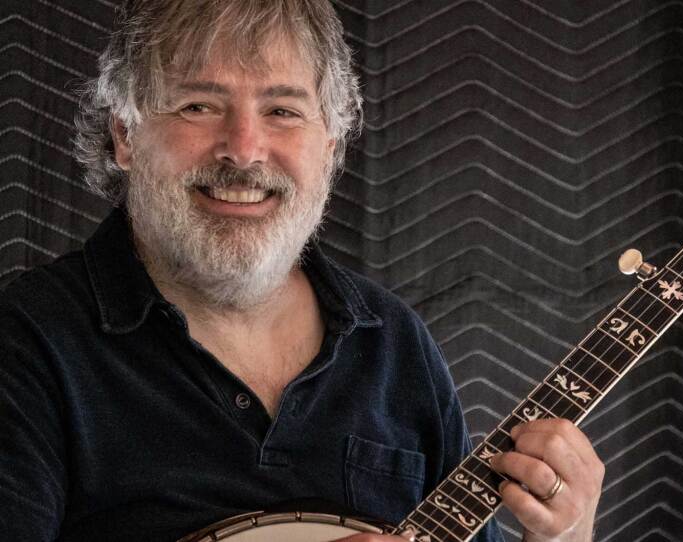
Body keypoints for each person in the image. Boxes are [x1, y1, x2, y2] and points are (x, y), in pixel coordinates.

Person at [0, 1, 604, 540]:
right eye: (198, 105)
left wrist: (563, 537)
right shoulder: (27, 339)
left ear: (333, 146)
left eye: (283, 110)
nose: (243, 149)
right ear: (125, 135)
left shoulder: (393, 343)